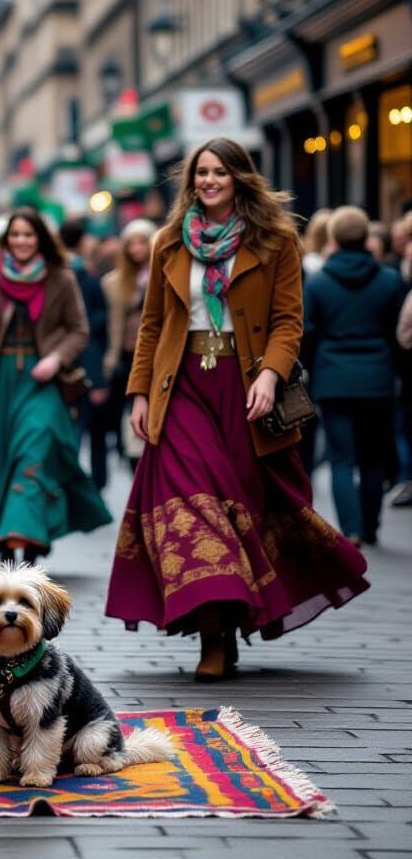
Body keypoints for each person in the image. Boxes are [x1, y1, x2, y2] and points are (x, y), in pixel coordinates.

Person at [105, 137, 368, 682]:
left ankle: (227, 624)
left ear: (239, 178)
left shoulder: (276, 239)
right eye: (201, 172)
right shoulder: (168, 242)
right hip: (181, 386)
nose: (208, 181)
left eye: (219, 172)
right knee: (194, 507)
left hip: (244, 387)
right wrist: (139, 392)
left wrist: (270, 374)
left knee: (236, 505)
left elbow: (289, 321)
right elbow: (152, 325)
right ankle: (212, 637)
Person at [0, 207, 112, 565]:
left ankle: (26, 532)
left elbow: (79, 330)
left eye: (29, 234)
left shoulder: (61, 278)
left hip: (43, 382)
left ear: (40, 239)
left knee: (32, 450)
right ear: (8, 240)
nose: (22, 241)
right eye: (16, 235)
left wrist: (55, 359)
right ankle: (10, 543)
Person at [303, 206, 403, 547]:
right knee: (372, 456)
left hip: (333, 379)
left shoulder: (318, 283)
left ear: (333, 237)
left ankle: (352, 529)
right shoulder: (389, 281)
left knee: (341, 457)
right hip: (377, 378)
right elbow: (396, 333)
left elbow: (308, 333)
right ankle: (371, 525)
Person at [101, 219, 158, 469]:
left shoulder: (165, 273)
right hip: (128, 353)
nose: (136, 248)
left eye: (141, 242)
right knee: (130, 408)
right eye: (131, 244)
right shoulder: (115, 282)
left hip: (158, 353)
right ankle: (134, 456)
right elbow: (114, 323)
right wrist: (111, 357)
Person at [59, 217, 109, 490]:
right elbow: (98, 326)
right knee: (90, 428)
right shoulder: (87, 278)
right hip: (85, 362)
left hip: (59, 362)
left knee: (71, 427)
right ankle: (92, 483)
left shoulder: (55, 273)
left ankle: (70, 480)